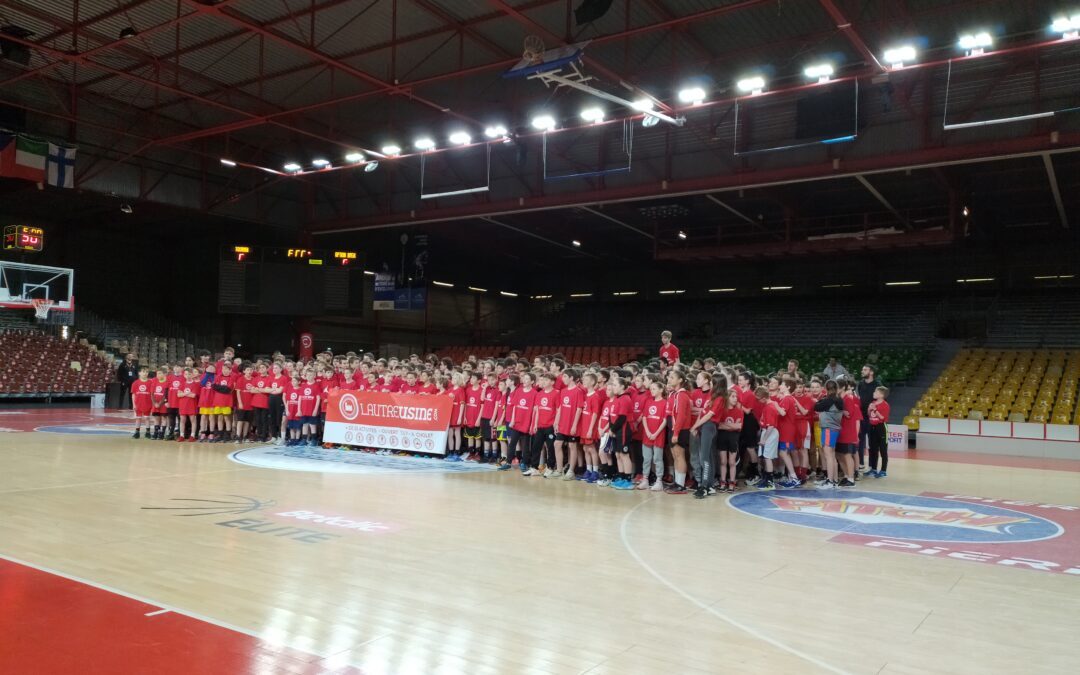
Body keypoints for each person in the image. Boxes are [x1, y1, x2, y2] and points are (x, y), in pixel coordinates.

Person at [813, 380, 844, 489]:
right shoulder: (839, 400)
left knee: (828, 455)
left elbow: (816, 407)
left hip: (828, 429)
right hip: (835, 429)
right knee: (832, 455)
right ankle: (834, 480)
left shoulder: (828, 401)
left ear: (825, 389)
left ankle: (830, 481)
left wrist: (819, 400)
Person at [639, 380, 667, 491]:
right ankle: (645, 479)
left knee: (657, 458)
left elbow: (665, 420)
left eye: (654, 389)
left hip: (658, 435)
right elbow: (644, 417)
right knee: (646, 458)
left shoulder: (665, 402)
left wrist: (655, 433)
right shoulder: (648, 401)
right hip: (647, 434)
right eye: (651, 389)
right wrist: (647, 431)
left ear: (661, 390)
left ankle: (659, 480)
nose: (652, 391)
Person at [714, 388, 744, 492]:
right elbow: (719, 425)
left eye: (736, 397)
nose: (735, 399)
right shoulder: (722, 410)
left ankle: (732, 483)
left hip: (733, 439)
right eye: (733, 397)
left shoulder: (739, 411)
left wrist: (726, 425)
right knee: (723, 461)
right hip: (722, 437)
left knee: (732, 462)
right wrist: (732, 426)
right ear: (727, 398)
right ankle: (723, 482)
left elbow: (738, 426)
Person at [530, 373, 559, 477]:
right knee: (536, 446)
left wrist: (556, 423)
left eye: (547, 380)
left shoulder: (556, 393)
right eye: (544, 380)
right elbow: (537, 409)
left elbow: (558, 409)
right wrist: (535, 423)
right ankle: (534, 467)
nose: (544, 382)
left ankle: (550, 467)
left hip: (550, 425)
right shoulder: (540, 393)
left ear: (552, 382)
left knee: (550, 447)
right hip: (540, 425)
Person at [856, 364, 881, 470]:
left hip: (872, 417)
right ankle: (860, 463)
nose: (862, 371)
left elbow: (881, 400)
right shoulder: (860, 384)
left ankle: (872, 466)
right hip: (861, 416)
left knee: (873, 442)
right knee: (860, 441)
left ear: (871, 372)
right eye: (862, 369)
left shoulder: (877, 384)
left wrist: (873, 409)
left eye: (865, 370)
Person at [866, 386, 892, 478]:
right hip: (872, 427)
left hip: (881, 427)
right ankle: (873, 469)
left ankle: (883, 470)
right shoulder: (873, 403)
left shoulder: (885, 405)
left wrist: (875, 410)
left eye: (875, 392)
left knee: (883, 450)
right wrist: (869, 409)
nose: (873, 393)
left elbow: (882, 418)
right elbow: (869, 415)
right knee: (873, 449)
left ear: (881, 395)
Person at [130, 366, 152, 439]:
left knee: (147, 418)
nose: (145, 373)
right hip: (138, 404)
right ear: (139, 373)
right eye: (143, 372)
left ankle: (148, 432)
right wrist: (134, 404)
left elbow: (152, 394)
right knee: (138, 418)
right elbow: (133, 394)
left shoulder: (150, 382)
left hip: (148, 404)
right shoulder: (135, 383)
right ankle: (137, 432)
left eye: (146, 372)